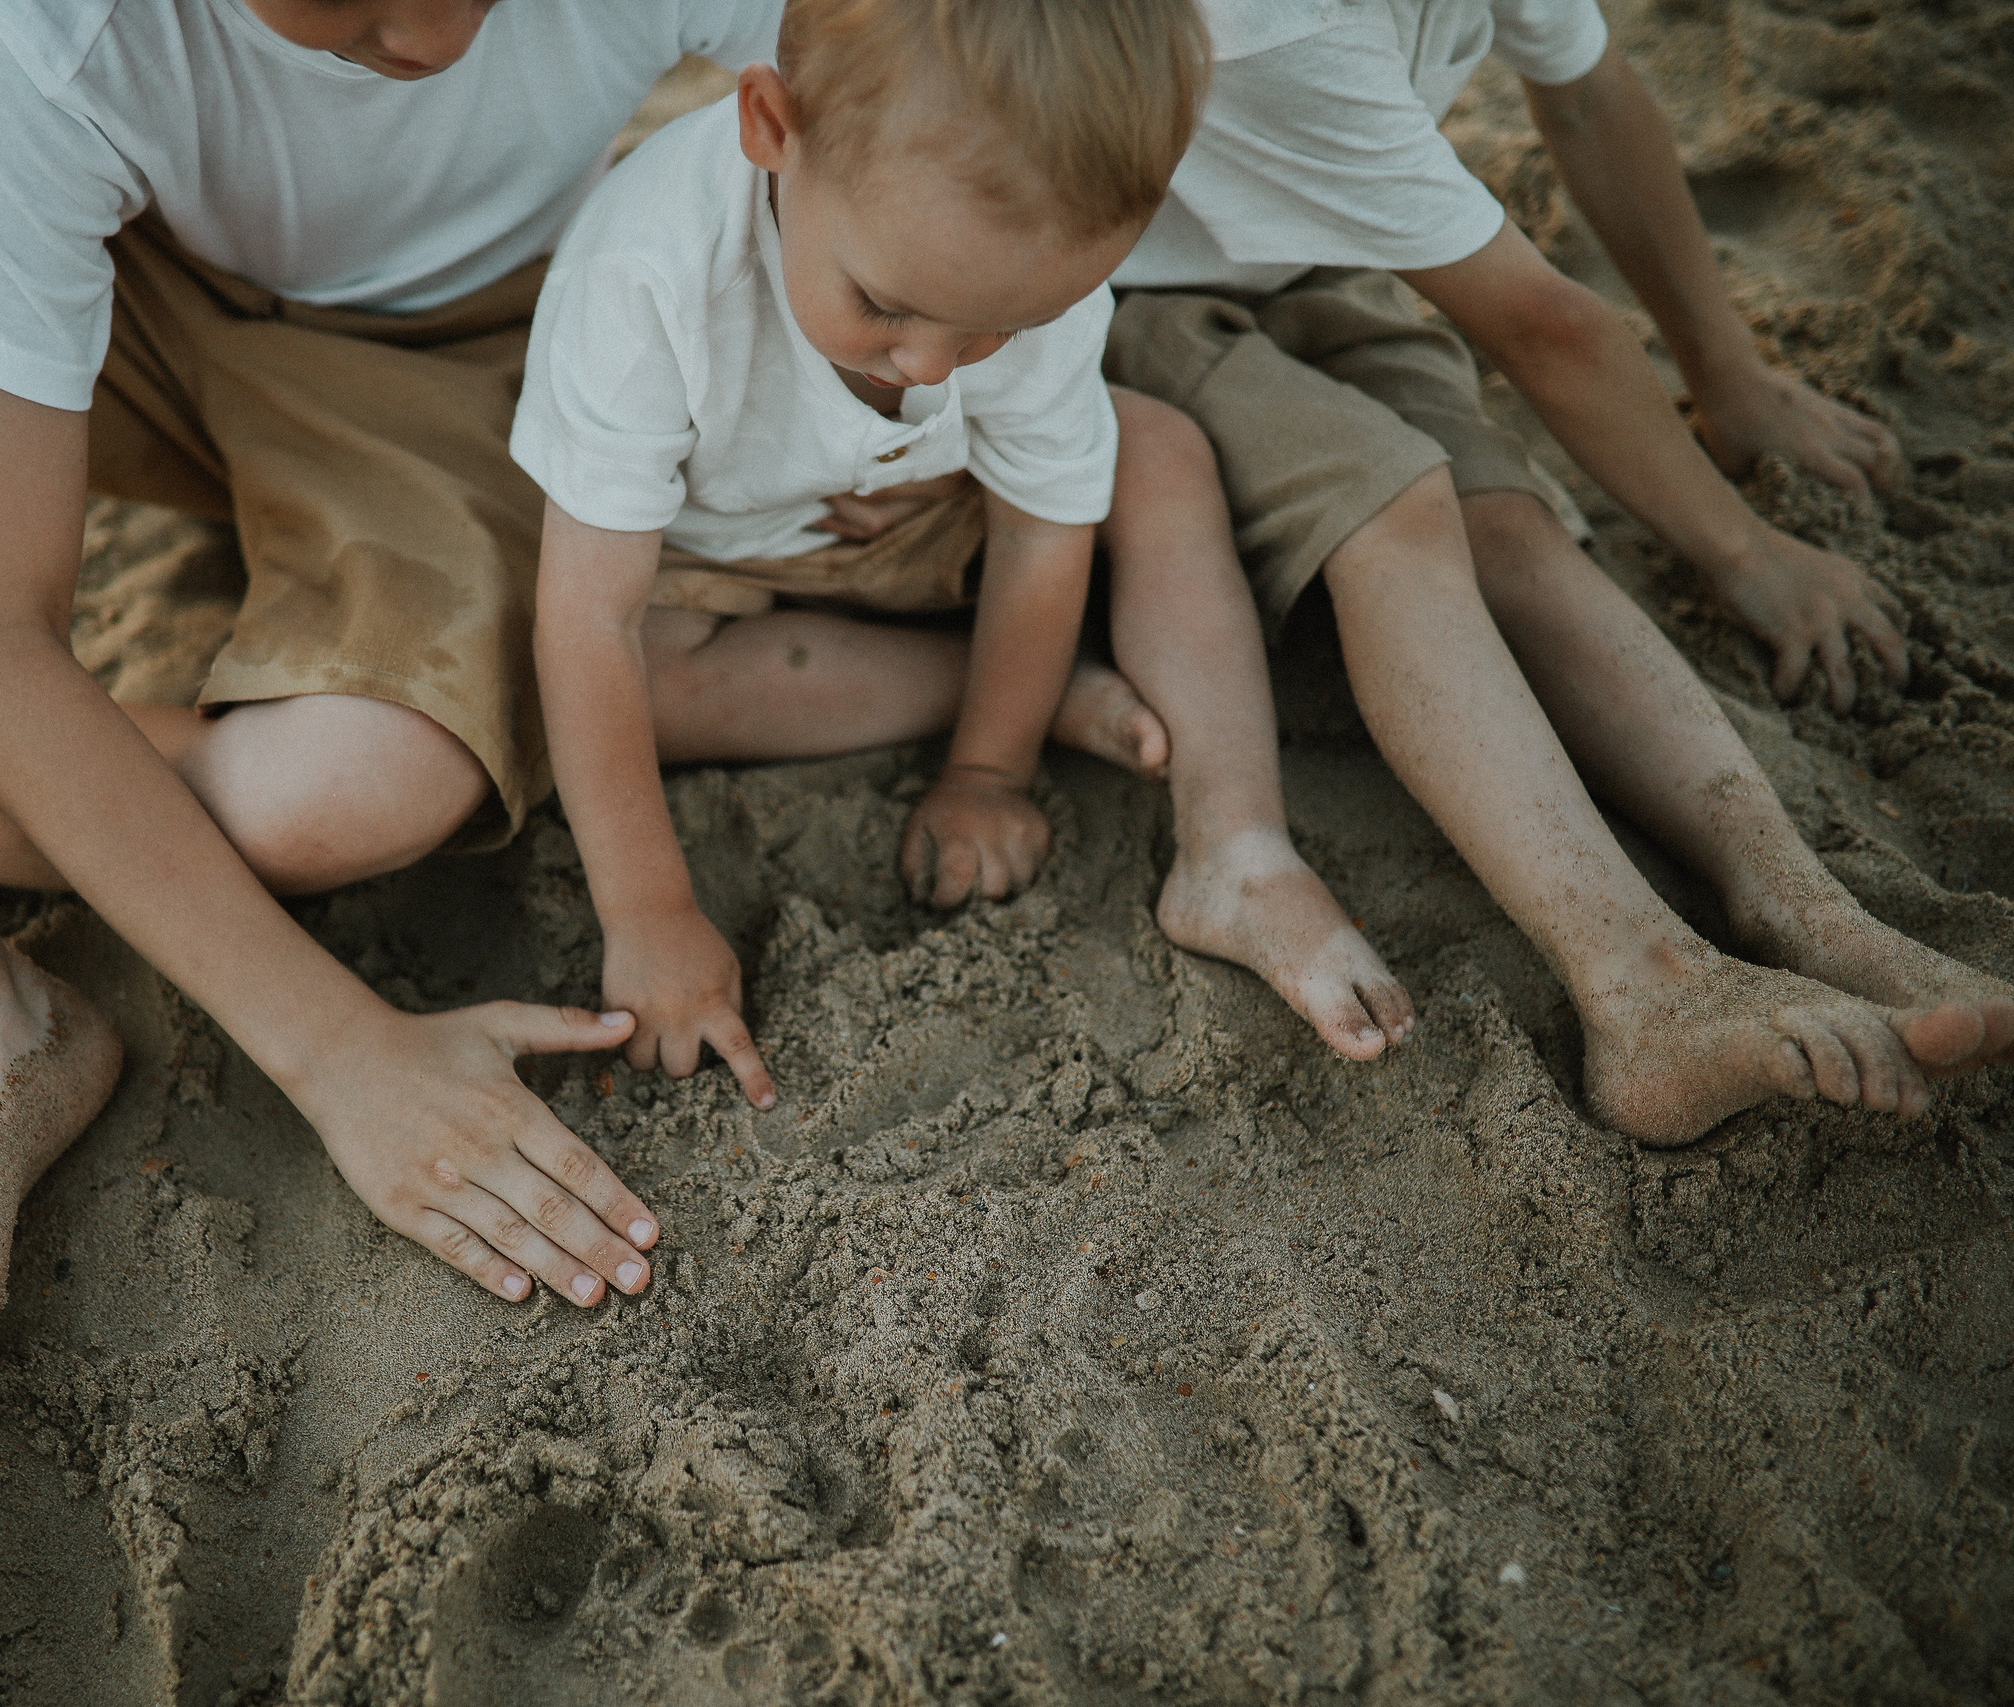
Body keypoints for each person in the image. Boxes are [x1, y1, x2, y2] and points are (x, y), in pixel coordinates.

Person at [0, 0, 819, 1463]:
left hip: (466, 347)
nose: (432, 38)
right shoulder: (62, 26)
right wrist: (339, 1051)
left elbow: (950, 88)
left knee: (347, 792)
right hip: (135, 297)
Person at [1087, 0, 2014, 1141]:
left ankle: (1805, 910)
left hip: (1342, 268)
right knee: (1395, 506)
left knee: (1511, 527)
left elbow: (1588, 92)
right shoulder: (1277, 21)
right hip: (1137, 303)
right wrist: (1741, 548)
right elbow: (1544, 326)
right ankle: (1640, 987)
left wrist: (1727, 372)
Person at [514, 0, 1413, 1101]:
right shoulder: (645, 271)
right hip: (716, 555)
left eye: (997, 330)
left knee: (1159, 456)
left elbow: (1043, 526)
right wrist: (649, 914)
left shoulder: (1018, 253)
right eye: (885, 306)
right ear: (769, 127)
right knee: (609, 680)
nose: (933, 368)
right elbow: (587, 614)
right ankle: (1033, 691)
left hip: (931, 511)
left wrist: (991, 774)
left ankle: (1240, 846)